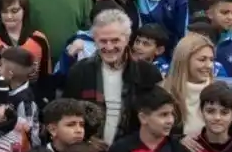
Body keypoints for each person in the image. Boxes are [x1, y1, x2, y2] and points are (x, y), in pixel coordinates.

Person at [62, 9, 163, 144]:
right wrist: (88, 141)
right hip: (89, 151)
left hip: (133, 150)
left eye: (115, 41)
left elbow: (156, 116)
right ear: (95, 41)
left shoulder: (147, 73)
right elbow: (68, 114)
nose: (109, 47)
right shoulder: (79, 71)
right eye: (103, 41)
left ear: (127, 39)